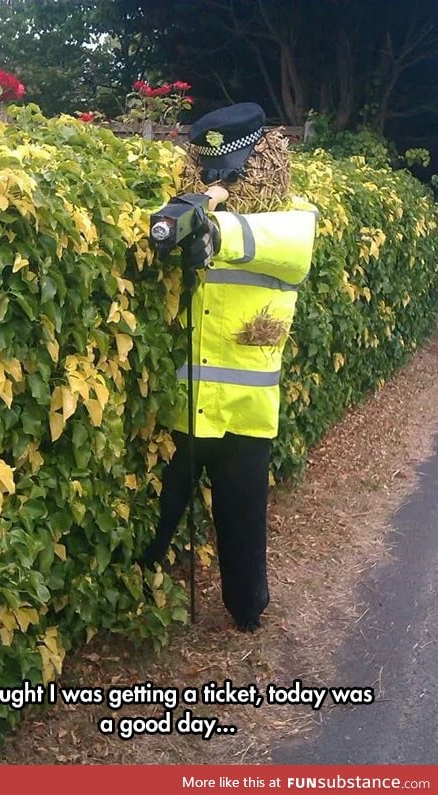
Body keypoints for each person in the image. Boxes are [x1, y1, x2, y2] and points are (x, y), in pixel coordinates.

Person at [142, 103, 318, 632]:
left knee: (242, 523)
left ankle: (247, 610)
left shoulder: (295, 216)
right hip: (186, 405)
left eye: (232, 172)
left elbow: (287, 249)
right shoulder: (189, 206)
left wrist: (213, 231)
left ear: (263, 158)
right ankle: (130, 594)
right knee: (158, 518)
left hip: (245, 413)